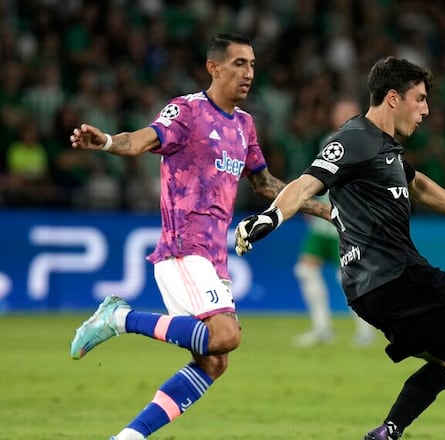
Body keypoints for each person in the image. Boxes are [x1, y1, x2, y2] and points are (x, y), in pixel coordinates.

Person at [234, 56, 445, 439]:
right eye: (419, 99)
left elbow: (416, 185)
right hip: (401, 277)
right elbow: (306, 182)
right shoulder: (353, 139)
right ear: (392, 98)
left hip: (368, 293)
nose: (426, 110)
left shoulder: (386, 151)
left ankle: (388, 431)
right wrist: (269, 218)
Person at [67, 33, 330, 440]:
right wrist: (103, 142)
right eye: (239, 63)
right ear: (214, 67)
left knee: (213, 362)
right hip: (183, 250)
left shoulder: (244, 125)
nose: (248, 73)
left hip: (213, 259)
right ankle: (118, 318)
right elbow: (139, 141)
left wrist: (323, 209)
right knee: (226, 336)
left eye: (253, 65)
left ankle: (128, 438)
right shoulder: (187, 111)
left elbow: (264, 184)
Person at [292, 97, 376, 347]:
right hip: (322, 220)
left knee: (348, 277)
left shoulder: (367, 145)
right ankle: (322, 328)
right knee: (306, 270)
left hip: (346, 222)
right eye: (341, 112)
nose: (344, 117)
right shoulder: (327, 141)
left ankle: (365, 330)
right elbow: (320, 176)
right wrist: (312, 201)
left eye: (350, 112)